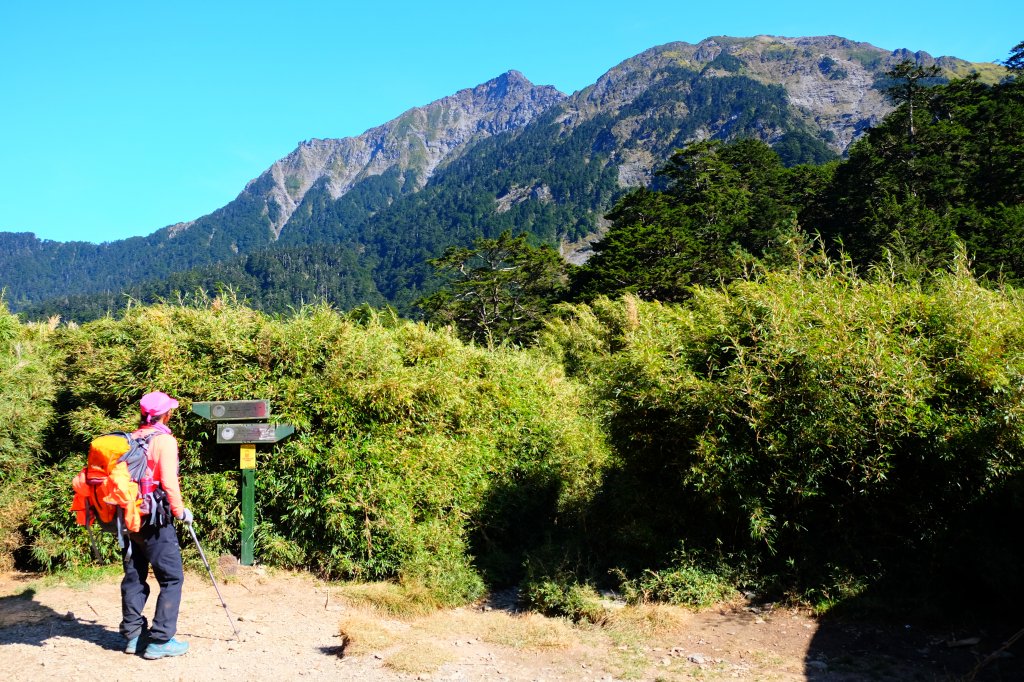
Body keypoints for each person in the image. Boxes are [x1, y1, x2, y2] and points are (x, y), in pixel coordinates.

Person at [120, 390, 193, 659]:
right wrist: (180, 511)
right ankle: (161, 640)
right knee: (172, 578)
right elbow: (169, 482)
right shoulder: (164, 441)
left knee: (135, 575)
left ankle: (133, 636)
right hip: (154, 518)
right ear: (167, 413)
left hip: (128, 518)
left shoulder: (130, 439)